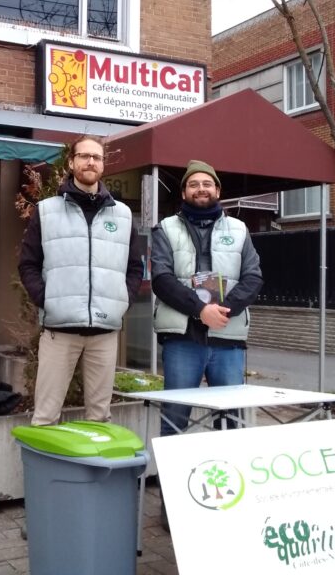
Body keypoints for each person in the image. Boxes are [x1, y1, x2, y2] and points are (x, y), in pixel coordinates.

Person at [18, 136, 144, 426]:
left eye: (97, 157)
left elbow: (135, 267)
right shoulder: (47, 210)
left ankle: (91, 472)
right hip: (59, 330)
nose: (90, 162)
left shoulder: (122, 215)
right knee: (46, 416)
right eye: (84, 156)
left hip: (105, 331)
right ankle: (46, 471)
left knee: (100, 417)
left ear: (103, 165)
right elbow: (28, 263)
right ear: (71, 162)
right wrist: (47, 300)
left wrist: (120, 301)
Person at [150, 159, 264, 437]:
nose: (200, 189)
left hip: (227, 336)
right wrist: (200, 310)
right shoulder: (165, 228)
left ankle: (227, 480)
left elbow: (253, 278)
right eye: (193, 184)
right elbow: (161, 279)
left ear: (217, 190)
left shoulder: (239, 230)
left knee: (229, 420)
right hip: (182, 337)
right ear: (183, 193)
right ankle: (172, 480)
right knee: (174, 417)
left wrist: (222, 310)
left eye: (206, 184)